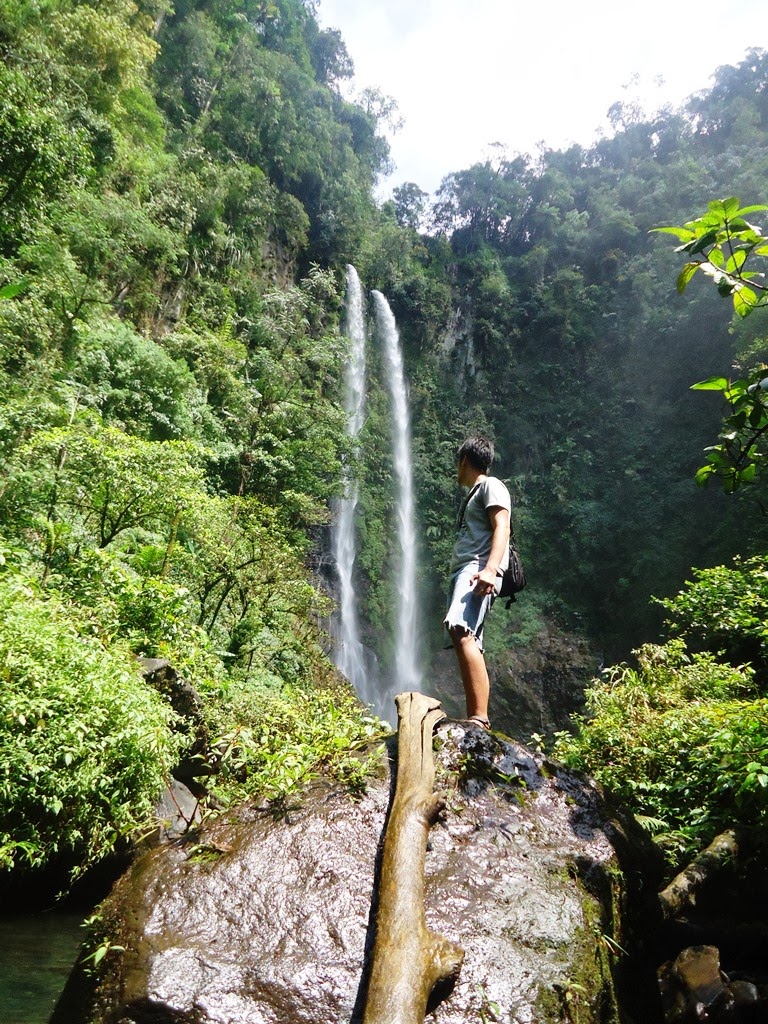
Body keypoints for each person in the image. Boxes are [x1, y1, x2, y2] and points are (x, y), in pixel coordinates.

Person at [444, 435, 511, 730]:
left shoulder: (490, 486)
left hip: (477, 571)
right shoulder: (474, 493)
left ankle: (479, 718)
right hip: (467, 570)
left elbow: (502, 526)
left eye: (457, 464)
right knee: (469, 638)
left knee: (461, 629)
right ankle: (478, 718)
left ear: (464, 461)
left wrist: (490, 569)